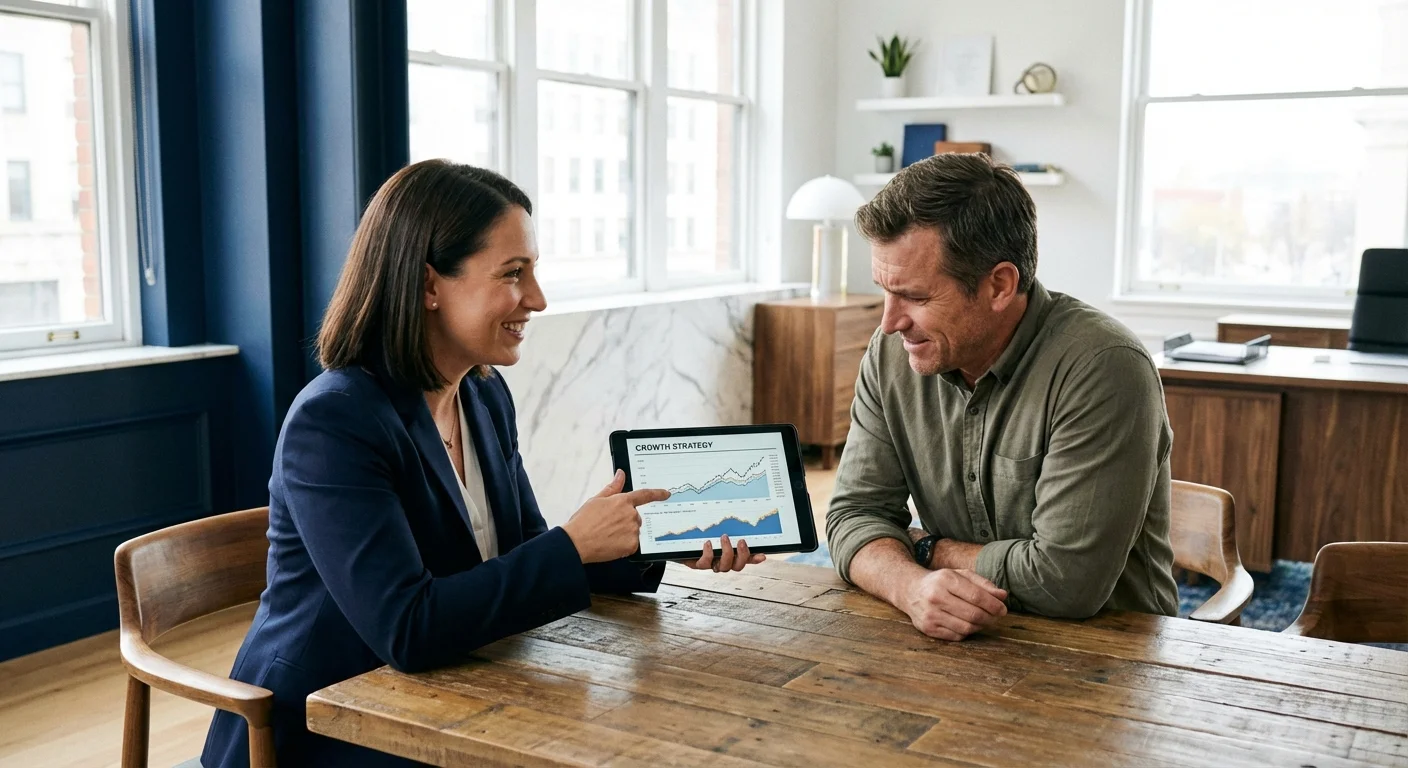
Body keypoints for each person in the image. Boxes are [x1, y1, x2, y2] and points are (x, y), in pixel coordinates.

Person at [203, 160, 763, 767]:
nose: (538, 299)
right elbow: (408, 629)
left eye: (534, 271)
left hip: (444, 698)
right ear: (427, 285)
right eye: (513, 274)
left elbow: (520, 551)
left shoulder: (483, 394)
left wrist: (647, 541)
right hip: (328, 726)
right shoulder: (335, 421)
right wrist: (573, 547)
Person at [825, 153, 1178, 643]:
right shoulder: (891, 355)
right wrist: (909, 585)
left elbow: (1065, 583)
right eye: (885, 291)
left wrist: (926, 548)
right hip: (957, 647)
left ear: (999, 285)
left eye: (917, 297)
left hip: (1103, 654)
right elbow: (852, 516)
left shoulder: (1105, 367)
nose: (890, 322)